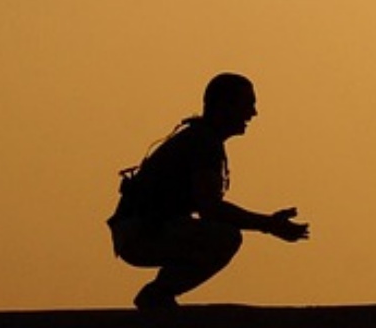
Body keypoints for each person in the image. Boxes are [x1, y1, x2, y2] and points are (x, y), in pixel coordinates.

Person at [108, 72, 309, 310]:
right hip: (140, 234)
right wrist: (268, 224)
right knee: (224, 238)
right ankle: (157, 295)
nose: (253, 113)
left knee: (218, 236)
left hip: (143, 231)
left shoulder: (202, 140)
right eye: (248, 104)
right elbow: (211, 209)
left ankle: (159, 295)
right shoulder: (203, 143)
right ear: (225, 105)